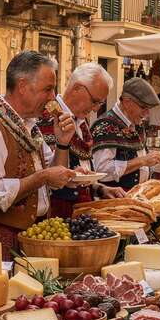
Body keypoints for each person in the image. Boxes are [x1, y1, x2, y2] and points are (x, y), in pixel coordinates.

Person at [0, 51, 77, 260]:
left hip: (21, 238)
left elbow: (56, 180)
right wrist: (42, 177)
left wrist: (63, 143)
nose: (52, 97)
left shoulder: (28, 126)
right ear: (22, 86)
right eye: (48, 89)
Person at [35, 63, 119, 217]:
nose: (96, 109)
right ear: (77, 88)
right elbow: (45, 176)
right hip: (57, 217)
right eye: (94, 101)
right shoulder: (46, 118)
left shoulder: (82, 121)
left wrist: (100, 188)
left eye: (100, 103)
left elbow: (83, 172)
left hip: (83, 215)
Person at [92, 78, 160, 190]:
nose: (147, 114)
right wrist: (142, 161)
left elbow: (142, 165)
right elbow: (101, 170)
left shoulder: (136, 124)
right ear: (127, 102)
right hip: (116, 198)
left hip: (138, 194)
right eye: (144, 108)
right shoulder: (105, 125)